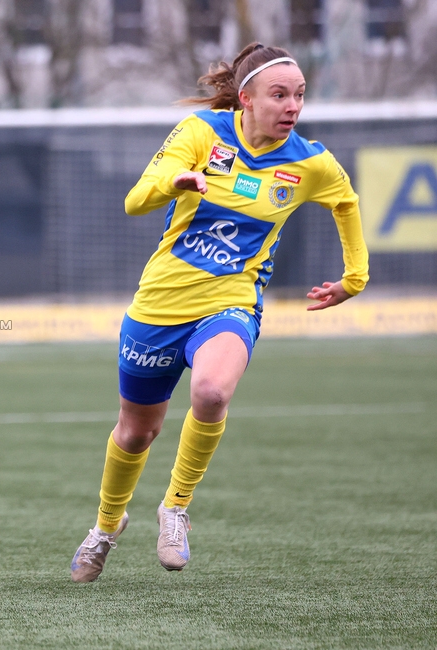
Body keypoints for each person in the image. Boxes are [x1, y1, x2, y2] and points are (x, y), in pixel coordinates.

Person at [70, 43, 370, 582]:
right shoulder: (201, 133)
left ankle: (175, 508)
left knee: (212, 391)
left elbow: (345, 202)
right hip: (158, 305)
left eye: (299, 95)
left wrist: (355, 279)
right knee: (136, 433)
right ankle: (106, 527)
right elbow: (136, 200)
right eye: (279, 94)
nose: (292, 106)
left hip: (230, 304)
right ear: (247, 97)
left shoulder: (309, 161)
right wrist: (174, 182)